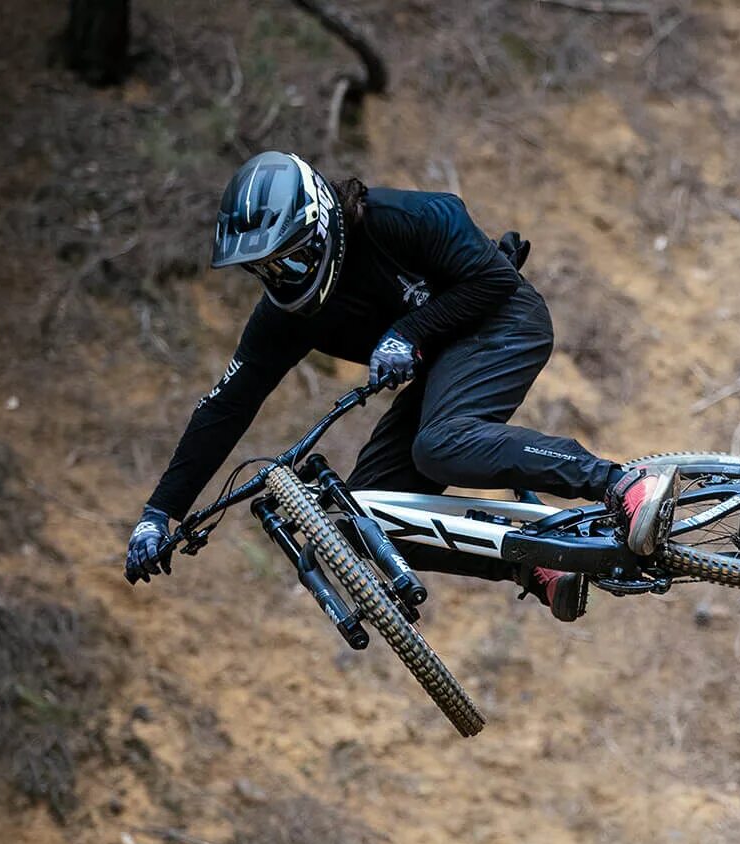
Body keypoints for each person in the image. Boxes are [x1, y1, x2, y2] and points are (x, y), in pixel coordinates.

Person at [122, 151, 678, 622]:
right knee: (365, 520)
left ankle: (619, 483)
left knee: (441, 445)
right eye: (265, 271)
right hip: (439, 362)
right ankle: (535, 561)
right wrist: (159, 513)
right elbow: (227, 405)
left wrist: (408, 332)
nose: (280, 279)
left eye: (288, 262)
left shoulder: (401, 218)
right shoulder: (285, 318)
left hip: (500, 321)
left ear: (318, 227)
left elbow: (494, 280)